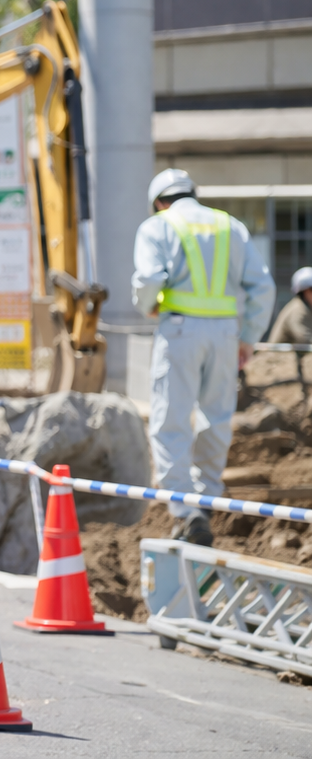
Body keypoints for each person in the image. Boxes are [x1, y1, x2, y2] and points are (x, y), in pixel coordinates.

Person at [131, 168, 273, 547]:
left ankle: (185, 509)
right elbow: (262, 286)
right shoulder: (231, 226)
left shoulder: (157, 226)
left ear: (160, 202)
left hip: (179, 332)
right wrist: (248, 337)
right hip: (225, 334)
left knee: (170, 419)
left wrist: (146, 306)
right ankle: (205, 499)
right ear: (192, 193)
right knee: (217, 417)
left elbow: (148, 280)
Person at [266, 266, 312, 345]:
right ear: (304, 292)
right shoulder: (298, 309)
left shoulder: (306, 307)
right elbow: (305, 340)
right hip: (277, 356)